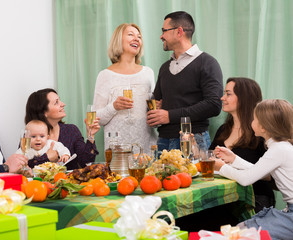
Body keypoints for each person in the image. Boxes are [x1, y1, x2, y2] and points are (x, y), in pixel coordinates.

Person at [214, 99, 293, 239]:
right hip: (290, 211)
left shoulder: (278, 149)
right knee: (241, 229)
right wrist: (234, 159)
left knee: (242, 232)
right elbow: (258, 171)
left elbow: (245, 179)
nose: (251, 122)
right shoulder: (281, 146)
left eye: (254, 119)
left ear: (263, 127)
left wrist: (222, 168)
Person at [147, 11, 223, 151]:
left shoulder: (207, 63)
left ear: (179, 31)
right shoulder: (164, 68)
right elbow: (155, 104)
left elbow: (214, 104)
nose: (161, 36)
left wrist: (169, 115)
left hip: (193, 140)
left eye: (164, 31)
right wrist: (155, 109)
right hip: (163, 142)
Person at [210, 77, 275, 212]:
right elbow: (210, 160)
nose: (222, 98)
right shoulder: (223, 129)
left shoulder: (261, 133)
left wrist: (229, 165)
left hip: (254, 197)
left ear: (244, 98)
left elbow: (271, 175)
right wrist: (193, 146)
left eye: (228, 94)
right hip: (224, 196)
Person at [92, 23, 157, 153]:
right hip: (117, 152)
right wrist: (114, 107)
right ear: (118, 40)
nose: (136, 39)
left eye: (139, 36)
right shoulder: (105, 75)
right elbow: (96, 119)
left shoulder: (148, 73)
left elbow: (153, 112)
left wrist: (157, 111)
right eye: (130, 34)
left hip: (146, 150)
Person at [25, 88, 100, 170]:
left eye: (59, 100)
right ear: (44, 112)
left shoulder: (71, 131)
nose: (63, 104)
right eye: (56, 102)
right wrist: (46, 158)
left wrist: (90, 135)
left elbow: (85, 163)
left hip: (67, 181)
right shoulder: (30, 135)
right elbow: (24, 166)